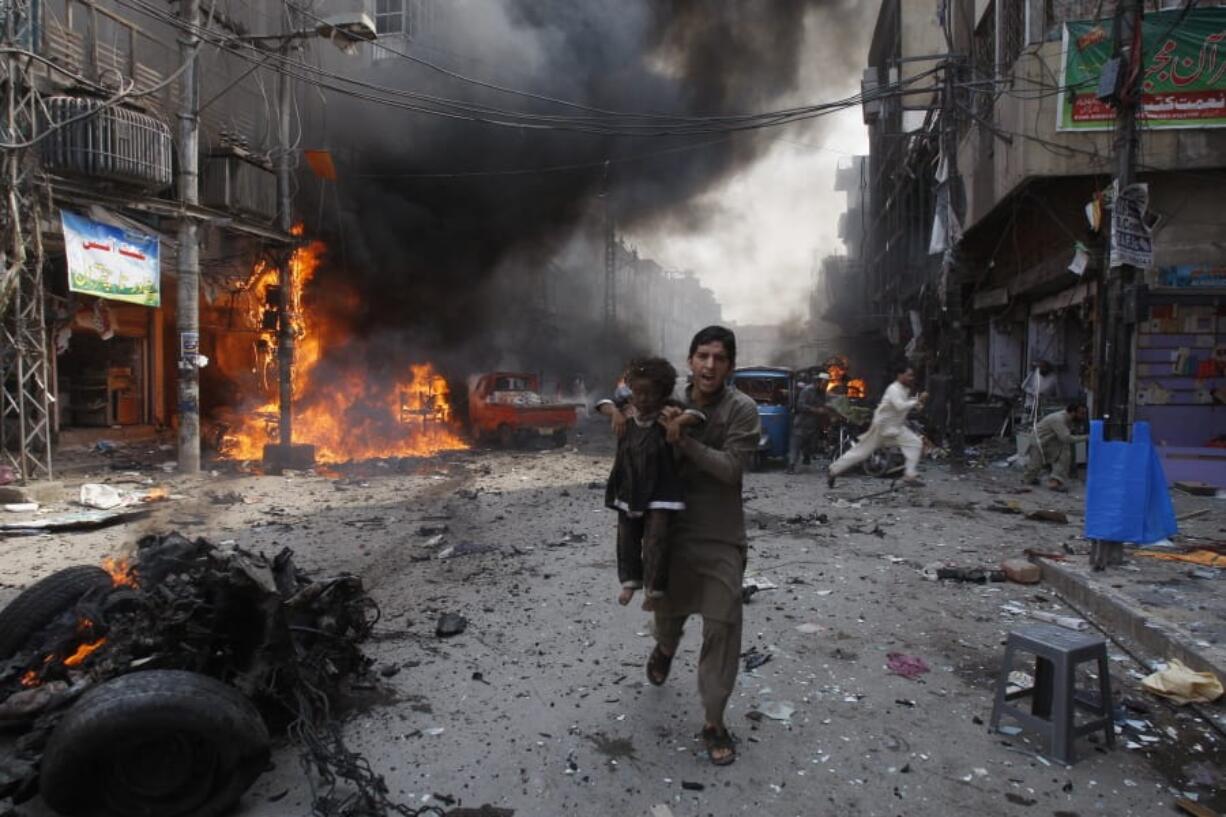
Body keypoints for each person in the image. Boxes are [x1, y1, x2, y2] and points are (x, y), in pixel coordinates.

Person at [646, 326, 760, 767]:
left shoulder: (742, 410)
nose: (710, 365)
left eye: (719, 358)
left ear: (730, 366)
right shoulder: (666, 401)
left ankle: (714, 721)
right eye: (702, 356)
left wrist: (685, 442)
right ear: (690, 360)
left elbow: (731, 470)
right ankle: (666, 648)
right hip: (671, 535)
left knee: (723, 627)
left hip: (721, 537)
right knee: (668, 613)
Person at [600, 358, 704, 610]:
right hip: (629, 482)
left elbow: (698, 415)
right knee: (627, 535)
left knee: (657, 537)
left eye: (651, 393)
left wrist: (678, 423)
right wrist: (614, 412)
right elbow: (602, 403)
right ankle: (629, 581)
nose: (644, 399)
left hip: (661, 484)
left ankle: (654, 589)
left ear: (663, 392)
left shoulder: (669, 410)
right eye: (639, 392)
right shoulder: (624, 408)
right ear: (631, 389)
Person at [826, 364, 927, 487]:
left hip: (895, 427)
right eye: (909, 375)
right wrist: (917, 400)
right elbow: (900, 406)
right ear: (900, 375)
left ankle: (910, 475)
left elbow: (904, 407)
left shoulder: (904, 390)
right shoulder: (893, 389)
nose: (911, 378)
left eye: (912, 375)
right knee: (861, 452)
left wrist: (917, 403)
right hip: (883, 427)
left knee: (914, 443)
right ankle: (833, 470)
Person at [1023, 401, 1088, 491]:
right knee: (1034, 467)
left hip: (1052, 442)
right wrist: (1087, 437)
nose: (1083, 416)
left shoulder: (1068, 419)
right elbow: (1066, 438)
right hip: (1039, 441)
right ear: (1073, 412)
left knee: (1064, 455)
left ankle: (1055, 481)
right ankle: (1029, 478)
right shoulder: (1058, 419)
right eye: (1081, 413)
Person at [787, 372, 830, 473]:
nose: (826, 386)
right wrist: (816, 410)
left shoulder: (822, 393)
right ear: (818, 382)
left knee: (811, 445)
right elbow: (800, 406)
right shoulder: (807, 391)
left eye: (827, 384)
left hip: (814, 424)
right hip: (802, 423)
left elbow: (823, 404)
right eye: (824, 383)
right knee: (795, 445)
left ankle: (806, 457)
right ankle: (791, 466)